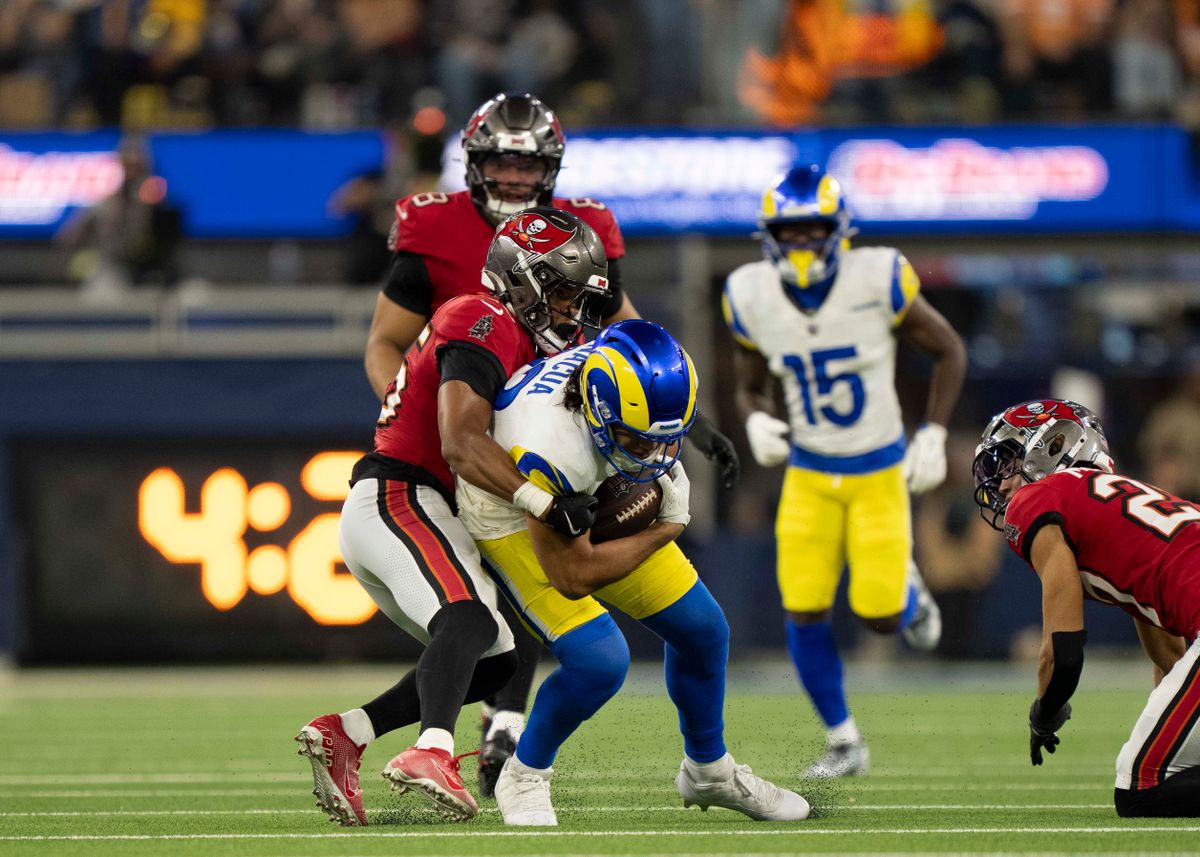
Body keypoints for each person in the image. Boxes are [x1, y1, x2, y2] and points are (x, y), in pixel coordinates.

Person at [363, 90, 740, 794]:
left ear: (553, 170)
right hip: (470, 437)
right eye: (499, 161)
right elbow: (386, 344)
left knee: (549, 580)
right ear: (474, 163)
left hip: (562, 434)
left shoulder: (582, 231)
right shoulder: (435, 231)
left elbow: (622, 331)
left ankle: (503, 732)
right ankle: (483, 733)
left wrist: (687, 415)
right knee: (489, 602)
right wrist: (417, 420)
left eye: (526, 164)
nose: (511, 177)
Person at [295, 208, 611, 826]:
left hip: (420, 505)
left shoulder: (522, 337)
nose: (573, 310)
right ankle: (433, 750)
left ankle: (350, 732)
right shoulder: (480, 316)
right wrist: (545, 501)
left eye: (581, 294)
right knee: (466, 617)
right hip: (400, 495)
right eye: (565, 291)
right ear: (521, 282)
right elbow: (461, 445)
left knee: (497, 653)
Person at [454, 318, 811, 826]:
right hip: (510, 510)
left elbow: (638, 442)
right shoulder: (553, 448)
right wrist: (665, 529)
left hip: (591, 487)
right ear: (601, 412)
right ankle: (524, 773)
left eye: (661, 440)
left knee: (704, 631)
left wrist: (639, 464)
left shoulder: (622, 401)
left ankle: (709, 771)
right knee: (598, 660)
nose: (651, 453)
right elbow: (573, 576)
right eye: (636, 440)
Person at [723, 164, 967, 778]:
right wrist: (755, 418)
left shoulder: (876, 276)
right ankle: (843, 740)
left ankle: (908, 595)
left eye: (814, 231)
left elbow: (948, 349)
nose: (802, 244)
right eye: (791, 231)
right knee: (802, 607)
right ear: (770, 235)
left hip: (878, 470)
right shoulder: (750, 294)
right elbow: (751, 387)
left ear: (839, 231)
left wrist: (934, 431)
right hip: (808, 474)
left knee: (878, 614)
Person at [972, 398, 1200, 818]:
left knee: (1141, 787)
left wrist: (1044, 712)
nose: (1001, 485)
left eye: (1007, 464)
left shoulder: (1039, 498)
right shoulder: (1117, 505)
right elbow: (1170, 658)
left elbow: (1063, 649)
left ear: (1052, 448)